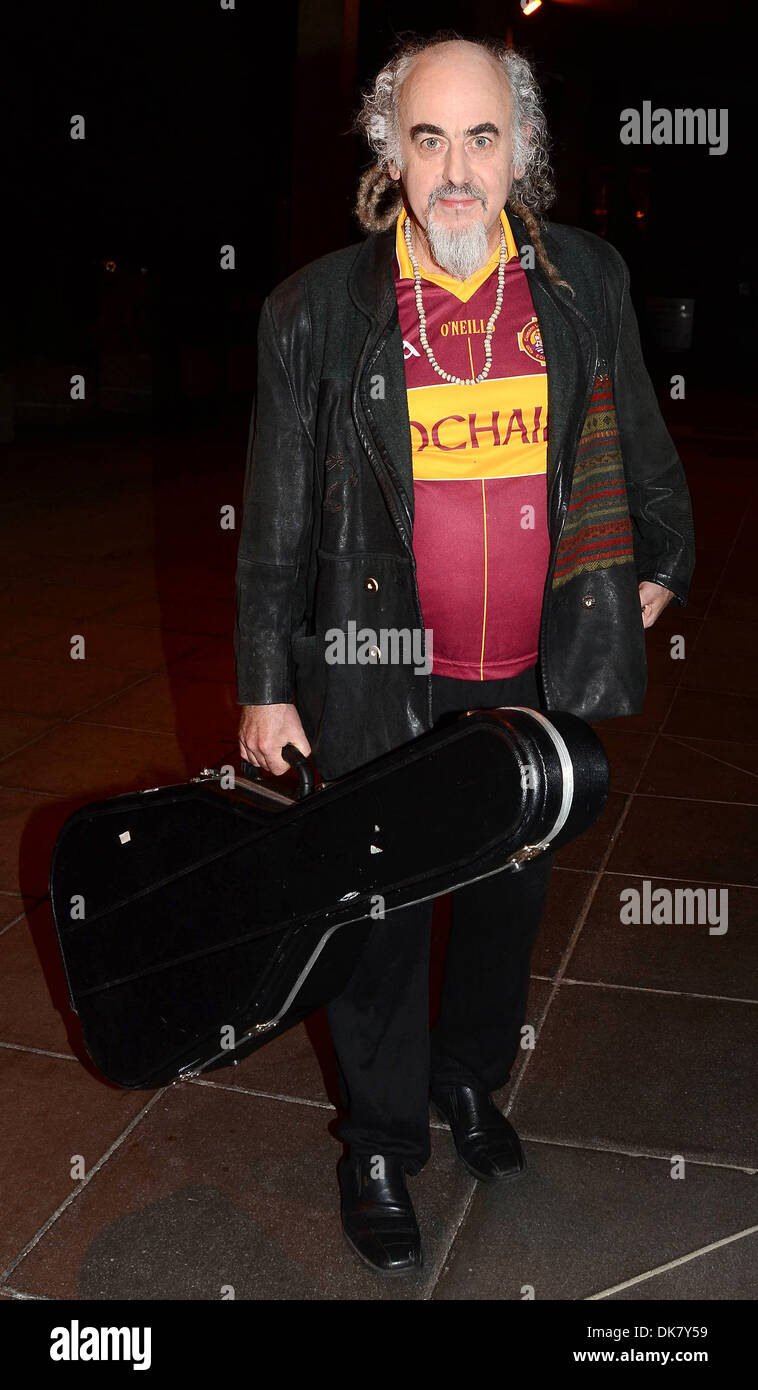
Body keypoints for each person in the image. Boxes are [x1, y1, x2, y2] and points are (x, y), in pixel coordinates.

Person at [235, 33, 695, 1274]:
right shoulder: (317, 312)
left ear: (520, 151)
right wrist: (265, 686)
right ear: (389, 153)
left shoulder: (582, 283)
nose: (453, 170)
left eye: (479, 137)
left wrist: (647, 575)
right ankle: (379, 1144)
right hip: (378, 669)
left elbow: (650, 470)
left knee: (504, 901)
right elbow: (275, 522)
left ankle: (469, 1082)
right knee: (377, 916)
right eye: (426, 138)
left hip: (525, 677)